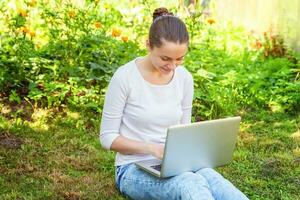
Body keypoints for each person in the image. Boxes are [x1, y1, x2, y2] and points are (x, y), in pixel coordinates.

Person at [100, 7, 249, 200]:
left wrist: (188, 155)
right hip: (132, 168)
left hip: (178, 164)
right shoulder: (125, 77)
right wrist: (152, 148)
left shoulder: (184, 78)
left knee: (213, 179)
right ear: (148, 45)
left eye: (179, 59)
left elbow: (183, 130)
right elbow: (107, 137)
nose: (172, 67)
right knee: (190, 182)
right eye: (165, 58)